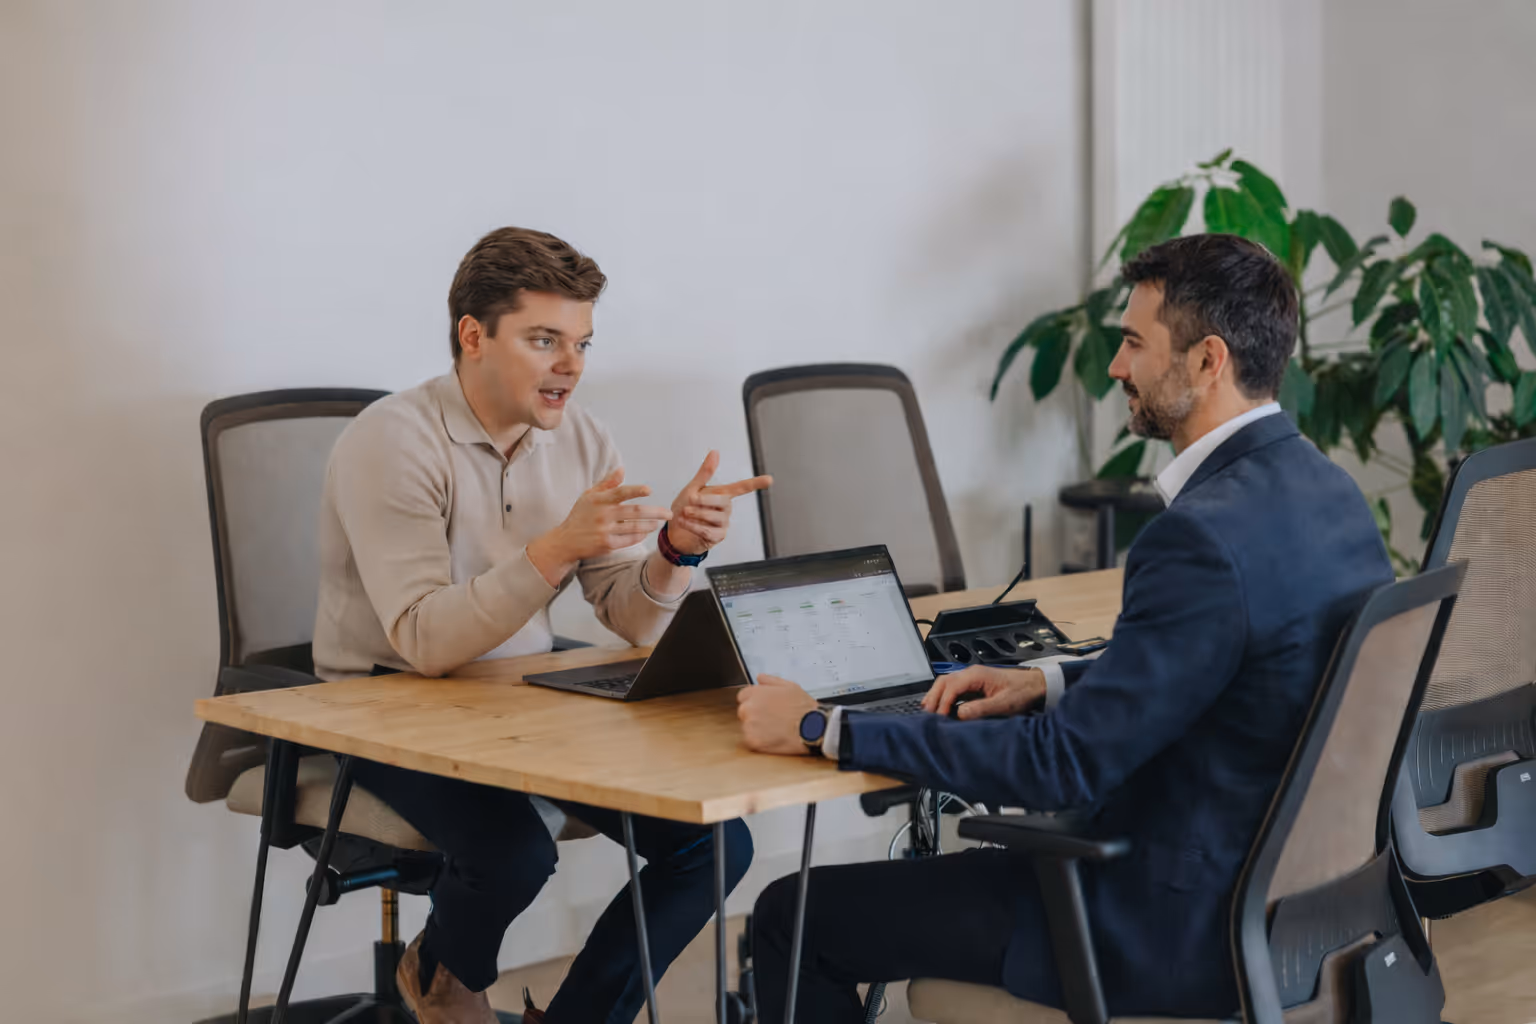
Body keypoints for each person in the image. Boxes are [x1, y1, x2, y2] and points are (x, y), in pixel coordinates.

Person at [735, 233, 1394, 1021]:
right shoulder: (1330, 492)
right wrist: (1047, 681)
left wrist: (823, 727)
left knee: (790, 919)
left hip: (1162, 927)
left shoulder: (1198, 538)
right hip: (1286, 908)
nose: (1115, 366)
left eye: (1134, 343)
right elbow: (1228, 669)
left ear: (1207, 360)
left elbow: (1061, 767)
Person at [313, 226, 770, 1024]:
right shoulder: (391, 441)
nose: (571, 365)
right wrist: (555, 548)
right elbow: (421, 640)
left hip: (517, 696)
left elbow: (629, 616)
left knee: (717, 842)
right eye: (544, 340)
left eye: (582, 343)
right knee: (513, 853)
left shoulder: (583, 438)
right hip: (382, 702)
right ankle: (441, 970)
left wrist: (675, 551)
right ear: (473, 336)